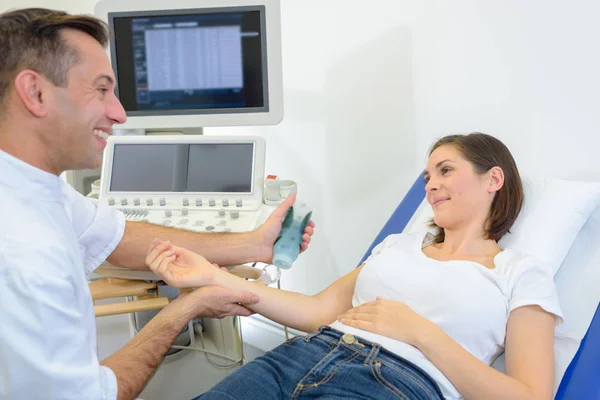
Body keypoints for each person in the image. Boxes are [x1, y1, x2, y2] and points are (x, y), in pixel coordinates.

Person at [0, 8, 314, 400]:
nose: (119, 113)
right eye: (101, 89)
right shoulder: (24, 252)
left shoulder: (34, 186)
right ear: (36, 92)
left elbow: (120, 236)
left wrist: (254, 244)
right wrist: (183, 310)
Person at [147, 133, 563, 400]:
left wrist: (419, 331)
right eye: (426, 176)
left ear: (493, 179)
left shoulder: (521, 272)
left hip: (397, 385)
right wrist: (211, 275)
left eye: (446, 170)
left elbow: (529, 395)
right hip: (299, 357)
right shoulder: (398, 244)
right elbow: (315, 311)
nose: (431, 184)